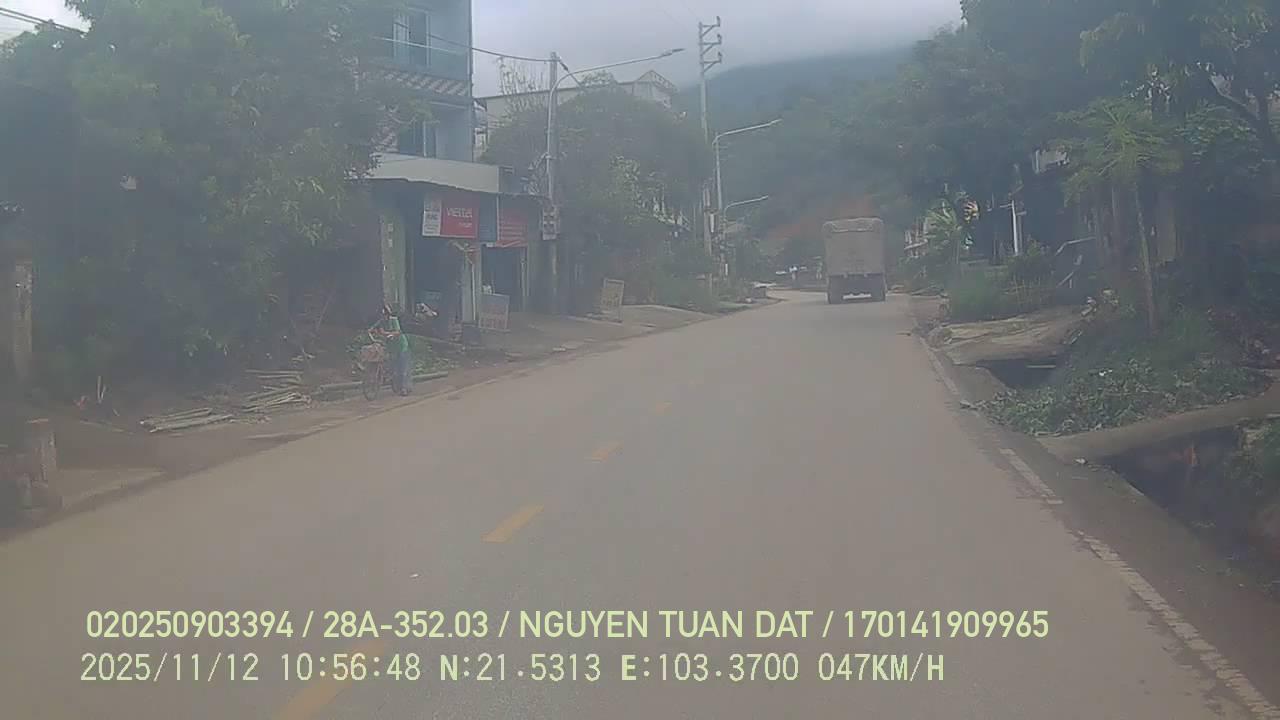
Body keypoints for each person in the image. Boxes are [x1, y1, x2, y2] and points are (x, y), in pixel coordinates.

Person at [376, 303, 412, 396]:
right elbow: (375, 329)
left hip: (401, 346)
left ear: (388, 314)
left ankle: (404, 388)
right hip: (391, 347)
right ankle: (396, 384)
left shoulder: (394, 320)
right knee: (393, 367)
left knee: (402, 368)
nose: (383, 317)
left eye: (385, 315)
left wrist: (388, 334)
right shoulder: (381, 322)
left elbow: (398, 331)